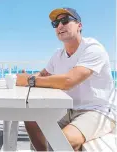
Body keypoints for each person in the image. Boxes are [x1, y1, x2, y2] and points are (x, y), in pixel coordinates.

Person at [16, 7, 116, 151]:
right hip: (67, 109)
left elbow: (69, 81)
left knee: (64, 141)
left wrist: (30, 81)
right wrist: (27, 77)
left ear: (79, 26)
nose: (60, 26)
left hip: (97, 110)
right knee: (32, 120)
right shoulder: (58, 54)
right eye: (55, 24)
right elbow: (43, 74)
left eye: (65, 21)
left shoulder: (92, 48)